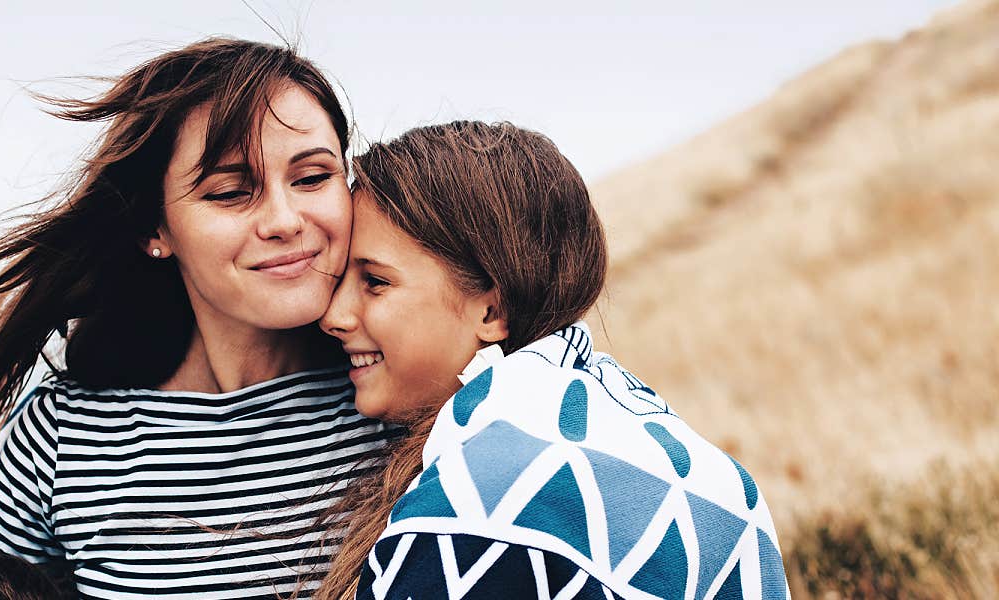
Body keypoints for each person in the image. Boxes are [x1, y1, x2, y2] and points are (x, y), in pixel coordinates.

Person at [0, 38, 394, 600]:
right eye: (229, 192)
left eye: (313, 177)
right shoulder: (58, 440)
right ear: (156, 230)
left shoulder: (408, 404)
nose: (284, 219)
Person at [315, 121, 790, 599]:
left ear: (492, 309)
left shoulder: (479, 503)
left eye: (375, 281)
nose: (332, 316)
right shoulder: (689, 462)